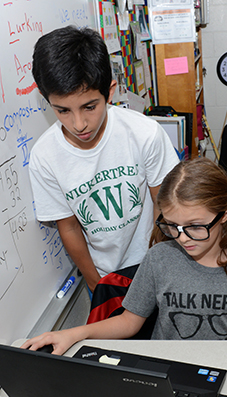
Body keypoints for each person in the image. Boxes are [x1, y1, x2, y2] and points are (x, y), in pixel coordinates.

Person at [22, 158, 227, 355]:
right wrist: (73, 333)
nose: (183, 238)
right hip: (163, 370)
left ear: (225, 214)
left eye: (196, 227)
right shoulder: (160, 258)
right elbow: (130, 322)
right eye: (173, 226)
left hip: (225, 373)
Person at [29, 26, 179, 293]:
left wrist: (154, 266)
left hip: (153, 261)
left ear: (110, 92)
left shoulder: (144, 133)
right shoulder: (45, 156)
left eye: (90, 107)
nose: (79, 124)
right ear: (47, 101)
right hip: (101, 274)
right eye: (62, 110)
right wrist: (95, 282)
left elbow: (164, 205)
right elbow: (70, 227)